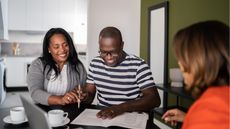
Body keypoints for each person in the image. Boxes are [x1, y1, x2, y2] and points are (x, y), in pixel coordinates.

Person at [78, 26, 161, 119]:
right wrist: (85, 96)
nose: (108, 57)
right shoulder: (95, 63)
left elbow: (154, 99)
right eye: (103, 52)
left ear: (122, 45)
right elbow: (90, 95)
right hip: (103, 117)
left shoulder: (138, 65)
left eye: (113, 52)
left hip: (130, 118)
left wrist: (120, 108)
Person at [161, 21, 229, 129]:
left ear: (199, 59)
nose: (180, 64)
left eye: (182, 58)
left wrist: (198, 118)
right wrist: (189, 118)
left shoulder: (213, 108)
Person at [27, 28, 87, 106]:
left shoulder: (78, 67)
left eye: (65, 45)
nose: (62, 50)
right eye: (56, 47)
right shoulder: (38, 64)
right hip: (44, 111)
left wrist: (81, 94)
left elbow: (84, 91)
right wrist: (60, 100)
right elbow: (35, 93)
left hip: (69, 111)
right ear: (49, 49)